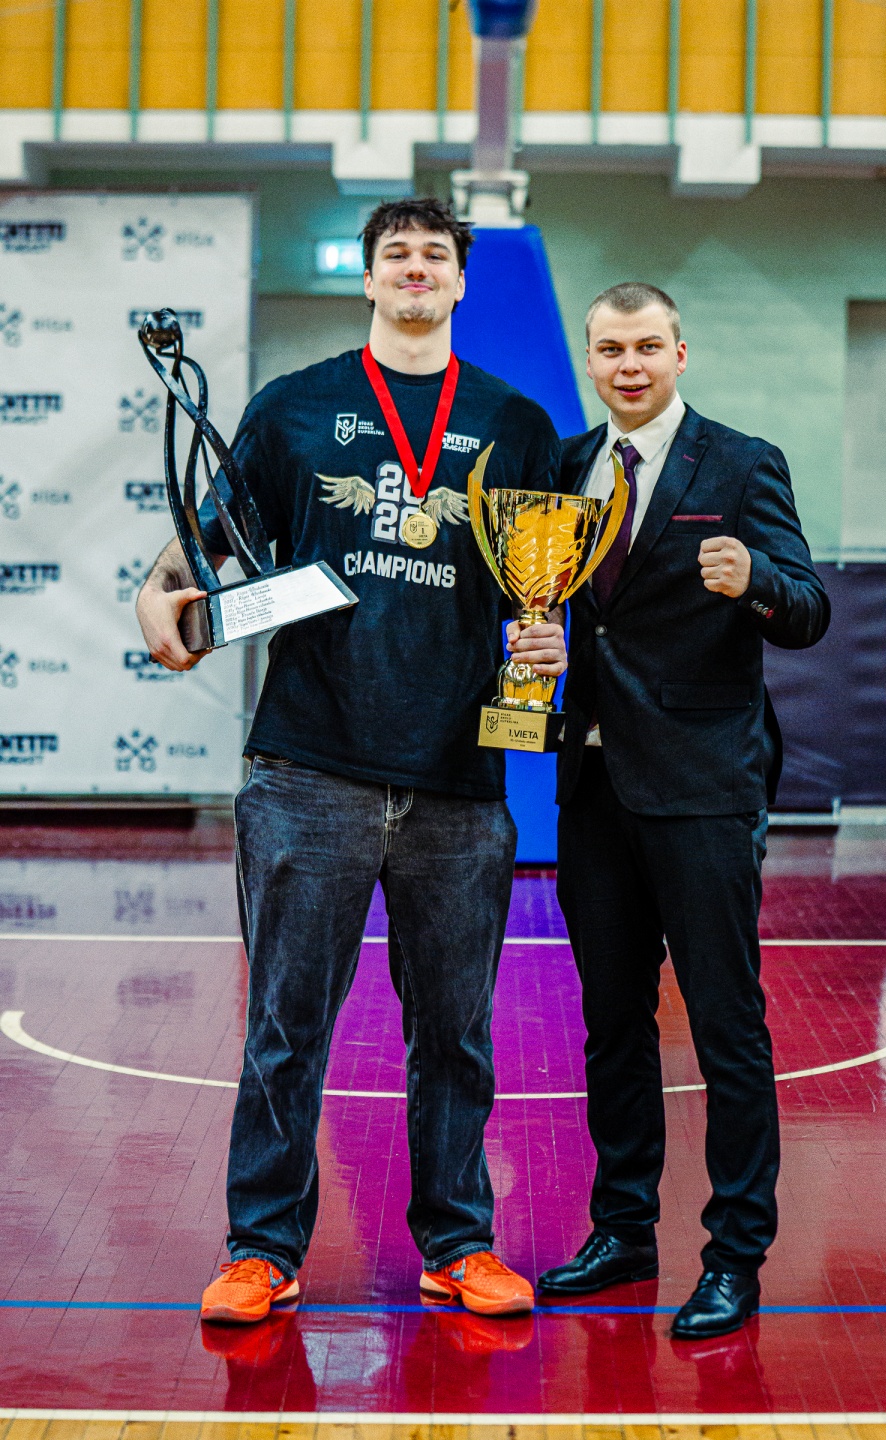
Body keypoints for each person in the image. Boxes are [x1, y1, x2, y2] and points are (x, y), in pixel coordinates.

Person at [136, 196, 567, 1324]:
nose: (416, 268)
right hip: (309, 766)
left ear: (461, 281)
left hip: (458, 778)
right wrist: (157, 594)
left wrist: (544, 638)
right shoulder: (294, 406)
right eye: (396, 254)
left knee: (455, 1034)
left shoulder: (516, 423)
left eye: (435, 254)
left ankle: (458, 1242)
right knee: (287, 1027)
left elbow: (542, 582)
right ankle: (262, 1250)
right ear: (368, 279)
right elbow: (203, 543)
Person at [533, 281, 829, 1339]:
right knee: (612, 1026)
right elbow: (557, 605)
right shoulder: (565, 466)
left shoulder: (742, 464)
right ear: (591, 359)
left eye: (647, 347)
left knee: (725, 1027)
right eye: (611, 349)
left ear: (680, 354)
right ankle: (623, 1230)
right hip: (593, 786)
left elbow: (809, 610)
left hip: (703, 788)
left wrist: (755, 577)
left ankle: (736, 1255)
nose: (629, 366)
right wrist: (537, 647)